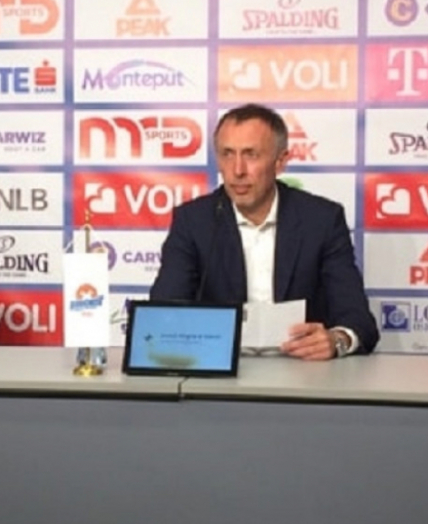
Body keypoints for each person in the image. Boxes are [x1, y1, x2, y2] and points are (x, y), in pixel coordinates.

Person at [150, 104, 379, 360]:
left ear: (280, 162)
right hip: (222, 370)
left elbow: (358, 320)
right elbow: (162, 315)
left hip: (302, 372)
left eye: (251, 155)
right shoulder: (194, 222)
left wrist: (337, 340)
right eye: (227, 154)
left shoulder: (321, 220)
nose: (237, 170)